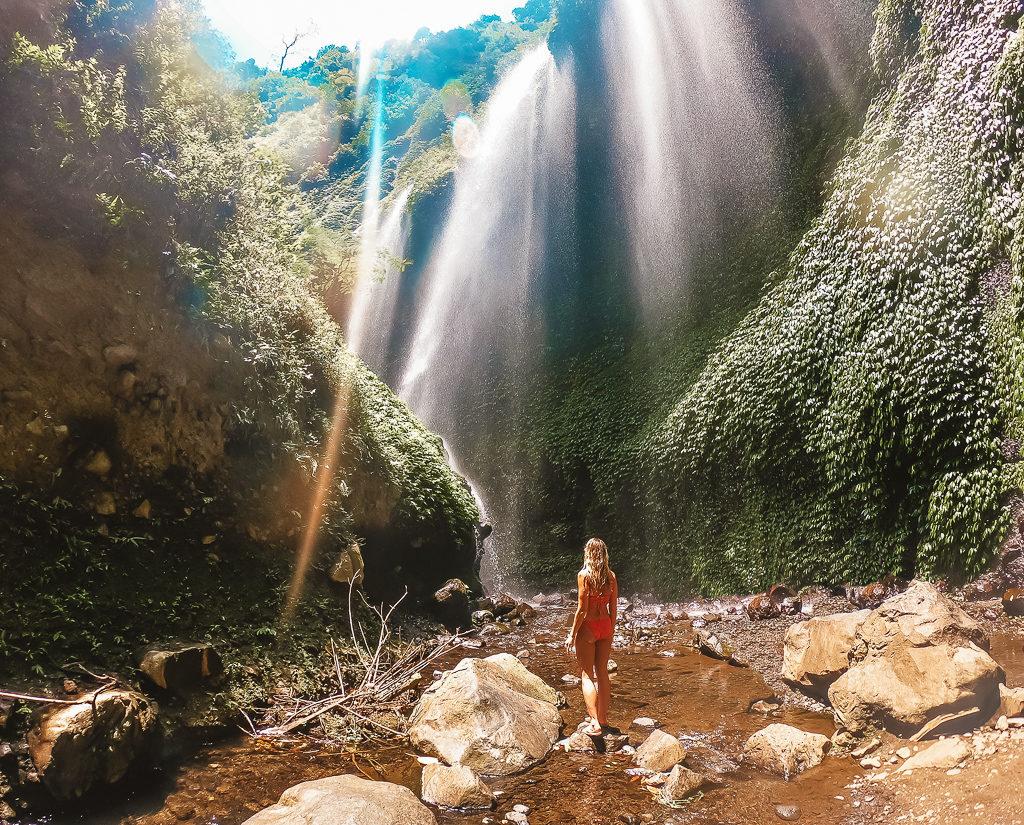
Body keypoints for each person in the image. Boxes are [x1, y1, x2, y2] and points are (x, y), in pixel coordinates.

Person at [564, 537, 618, 735]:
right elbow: (613, 608)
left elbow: (581, 610)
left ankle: (594, 722)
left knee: (587, 674)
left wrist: (572, 634)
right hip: (605, 626)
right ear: (604, 554)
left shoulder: (584, 575)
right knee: (602, 672)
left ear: (589, 554)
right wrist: (611, 630)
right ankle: (603, 718)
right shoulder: (611, 576)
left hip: (589, 628)